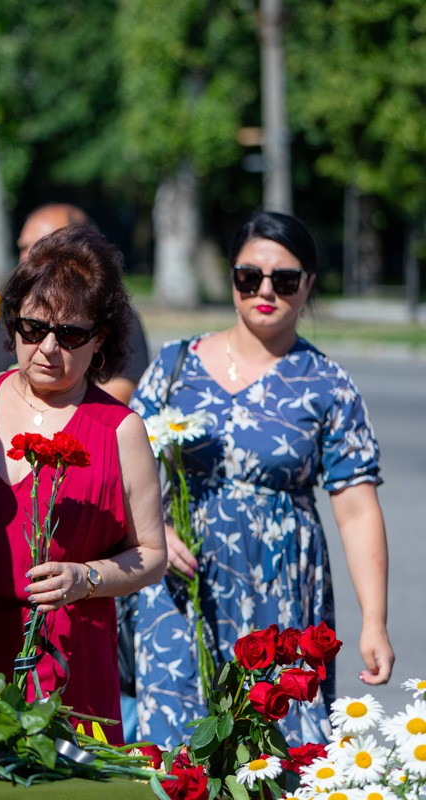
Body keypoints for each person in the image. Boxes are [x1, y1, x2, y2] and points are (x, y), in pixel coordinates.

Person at [131, 211, 394, 748]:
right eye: (249, 277)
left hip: (280, 592)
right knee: (173, 746)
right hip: (180, 591)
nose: (265, 291)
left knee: (276, 745)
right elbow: (123, 464)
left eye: (285, 280)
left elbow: (356, 507)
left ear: (308, 286)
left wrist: (375, 621)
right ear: (232, 279)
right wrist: (154, 531)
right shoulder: (175, 365)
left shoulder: (327, 384)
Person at [0, 225, 166, 744]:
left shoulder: (120, 429)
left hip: (72, 657)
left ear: (100, 339)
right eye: (32, 329)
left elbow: (152, 554)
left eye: (70, 334)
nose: (48, 347)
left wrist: (85, 577)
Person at [0, 203, 151, 405]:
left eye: (69, 333)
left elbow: (118, 393)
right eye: (33, 329)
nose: (29, 256)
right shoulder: (9, 316)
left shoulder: (113, 316)